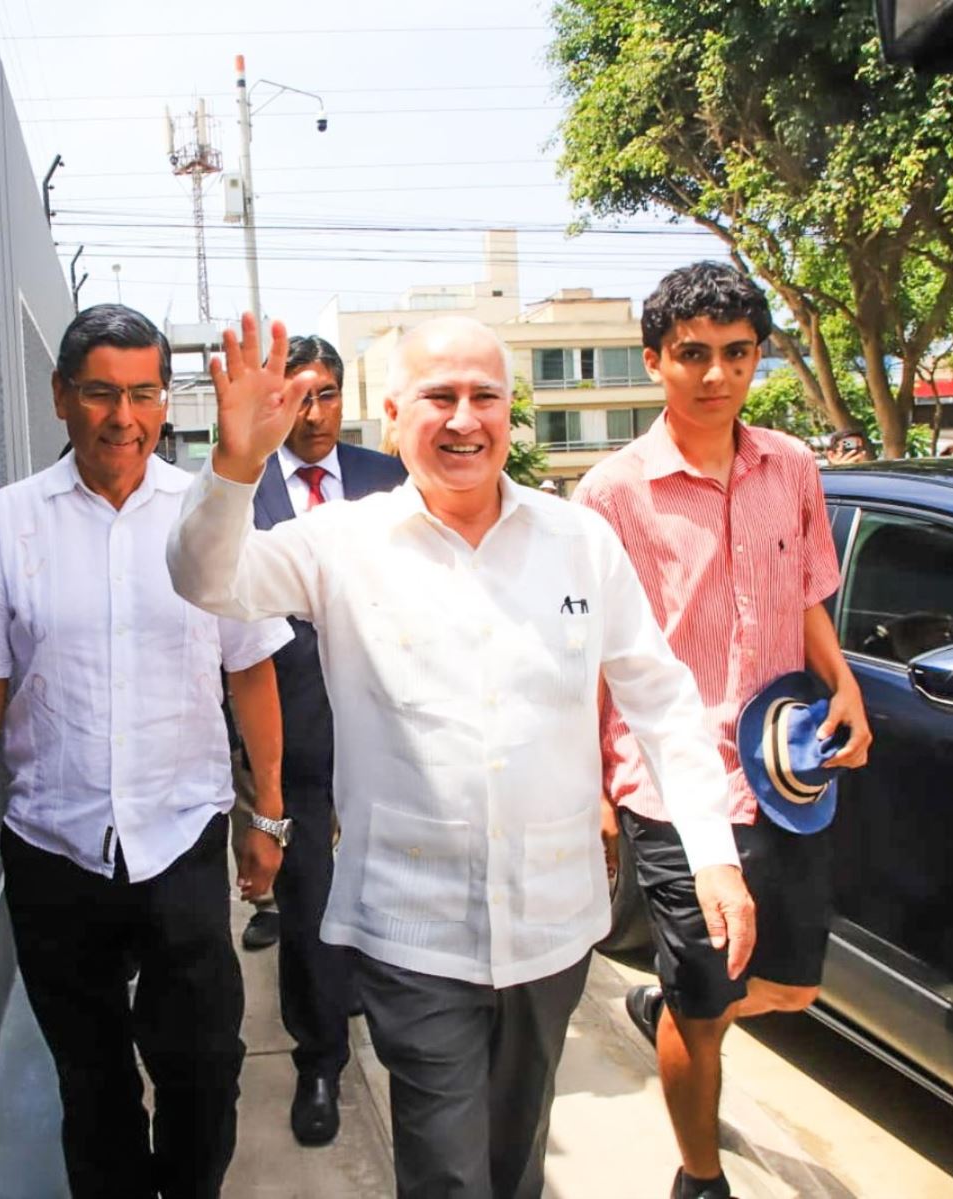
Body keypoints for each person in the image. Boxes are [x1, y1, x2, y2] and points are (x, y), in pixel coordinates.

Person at [169, 313, 755, 1199]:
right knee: (447, 1171)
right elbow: (204, 578)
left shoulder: (577, 542)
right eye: (439, 396)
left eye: (484, 396)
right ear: (395, 412)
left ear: (510, 412)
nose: (464, 418)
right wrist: (234, 466)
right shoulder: (342, 544)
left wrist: (711, 851)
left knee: (516, 1157)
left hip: (552, 927)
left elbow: (659, 696)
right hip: (414, 929)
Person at [0, 305, 293, 1199]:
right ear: (61, 397)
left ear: (166, 402)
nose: (121, 418)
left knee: (205, 1066)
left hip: (180, 838)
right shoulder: (4, 525)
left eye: (141, 394)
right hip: (55, 847)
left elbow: (251, 672)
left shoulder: (210, 520)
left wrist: (270, 814)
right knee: (91, 1085)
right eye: (99, 392)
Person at [575, 262, 873, 1199]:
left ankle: (669, 993)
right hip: (670, 779)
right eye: (693, 354)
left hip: (783, 767)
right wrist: (594, 784)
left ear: (758, 358)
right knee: (708, 1006)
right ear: (656, 359)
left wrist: (846, 682)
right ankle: (699, 1175)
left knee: (785, 986)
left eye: (737, 354)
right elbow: (590, 653)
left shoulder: (792, 464)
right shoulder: (611, 492)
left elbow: (810, 591)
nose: (716, 375)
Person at [234, 334, 408, 1146]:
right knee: (309, 898)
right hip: (292, 726)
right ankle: (319, 1059)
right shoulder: (245, 486)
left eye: (328, 393)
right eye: (299, 396)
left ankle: (382, 1004)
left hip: (389, 724)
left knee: (385, 888)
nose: (315, 412)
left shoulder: (387, 478)